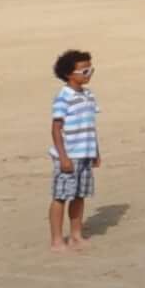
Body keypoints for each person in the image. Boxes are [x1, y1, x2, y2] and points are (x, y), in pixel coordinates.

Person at [47, 48, 101, 253]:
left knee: (80, 196)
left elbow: (90, 125)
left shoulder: (88, 95)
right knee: (61, 196)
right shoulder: (64, 96)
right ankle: (57, 240)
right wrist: (63, 157)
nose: (88, 74)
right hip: (69, 155)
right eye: (84, 71)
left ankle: (76, 235)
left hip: (86, 154)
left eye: (90, 70)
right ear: (69, 74)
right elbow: (56, 128)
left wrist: (95, 151)